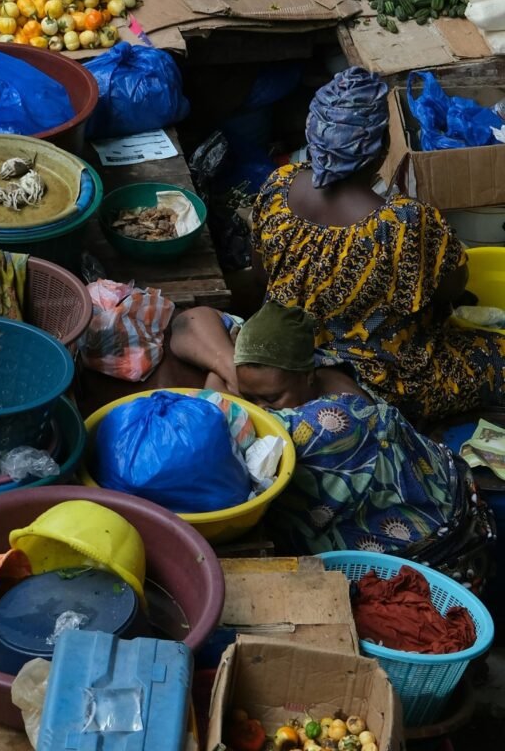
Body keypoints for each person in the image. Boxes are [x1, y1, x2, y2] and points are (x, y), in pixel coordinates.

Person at [170, 300, 496, 587]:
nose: (262, 408)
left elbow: (212, 418)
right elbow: (188, 322)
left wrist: (228, 381)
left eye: (271, 397)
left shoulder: (329, 423)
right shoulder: (302, 359)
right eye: (251, 395)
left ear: (306, 376)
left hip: (440, 561)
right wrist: (231, 367)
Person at [246, 64, 505, 424]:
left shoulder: (278, 188)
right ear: (382, 148)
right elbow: (452, 288)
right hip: (381, 381)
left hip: (290, 361)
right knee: (495, 354)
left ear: (314, 137)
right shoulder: (403, 224)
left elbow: (261, 277)